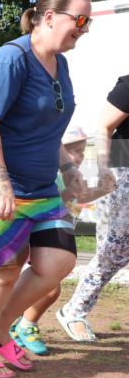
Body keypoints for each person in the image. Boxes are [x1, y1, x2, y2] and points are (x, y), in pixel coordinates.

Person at [0, 0, 92, 378]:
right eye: (79, 19)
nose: (84, 28)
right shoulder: (11, 59)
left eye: (88, 22)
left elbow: (45, 129)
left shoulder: (59, 65)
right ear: (50, 17)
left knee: (58, 260)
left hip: (39, 186)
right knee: (6, 269)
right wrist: (1, 181)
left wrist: (70, 171)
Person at [8, 125, 116, 354]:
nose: (79, 156)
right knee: (49, 288)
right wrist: (71, 191)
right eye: (73, 151)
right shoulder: (50, 177)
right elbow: (53, 202)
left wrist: (102, 190)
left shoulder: (73, 178)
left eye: (82, 151)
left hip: (56, 240)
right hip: (39, 240)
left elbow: (79, 198)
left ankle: (19, 323)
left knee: (48, 287)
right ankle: (23, 325)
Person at [56, 74, 129, 341]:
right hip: (123, 169)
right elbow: (104, 127)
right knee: (113, 250)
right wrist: (103, 167)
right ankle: (74, 311)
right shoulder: (128, 85)